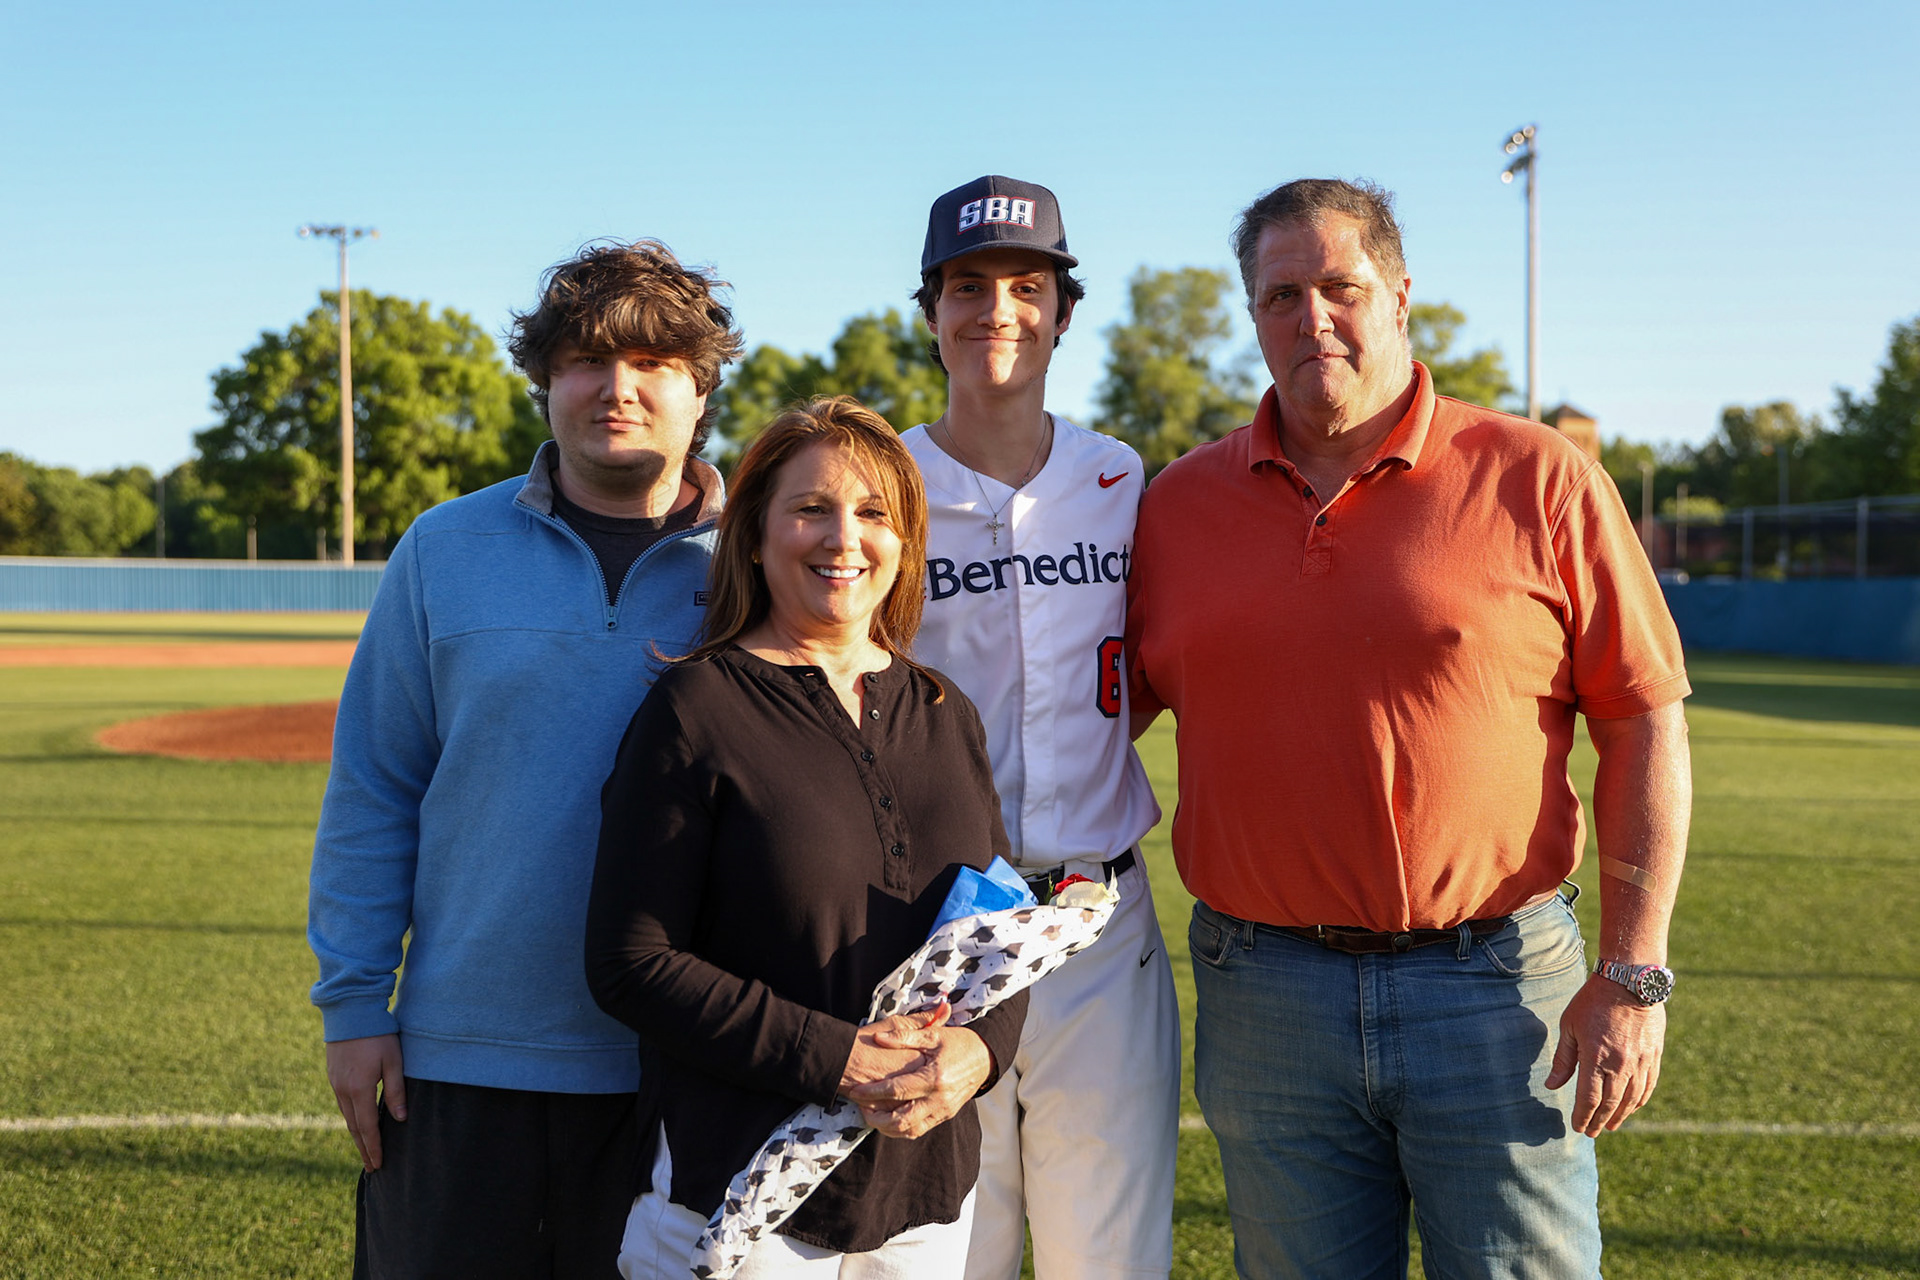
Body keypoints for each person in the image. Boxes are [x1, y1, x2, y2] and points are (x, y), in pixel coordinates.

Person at [1126, 179, 1693, 1279]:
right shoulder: (1177, 505)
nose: (1313, 318)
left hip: (1495, 983)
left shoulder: (1541, 476)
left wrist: (1634, 969)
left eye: (1340, 286)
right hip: (1264, 991)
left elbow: (1645, 720)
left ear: (1398, 294)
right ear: (1253, 315)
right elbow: (1085, 708)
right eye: (1280, 295)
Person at [307, 240, 743, 1279]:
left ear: (700, 388)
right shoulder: (443, 548)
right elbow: (376, 786)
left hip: (682, 1065)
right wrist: (356, 1003)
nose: (617, 389)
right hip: (460, 1061)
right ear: (546, 379)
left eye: (652, 364)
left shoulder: (759, 564)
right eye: (587, 359)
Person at [586, 396, 1028, 1280]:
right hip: (744, 1191)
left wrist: (980, 1054)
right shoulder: (696, 709)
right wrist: (838, 1057)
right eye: (810, 509)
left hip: (924, 1199)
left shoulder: (946, 715)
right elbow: (630, 962)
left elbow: (999, 933)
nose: (844, 539)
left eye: (874, 514)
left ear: (905, 542)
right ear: (754, 535)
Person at [899, 175, 1179, 1280]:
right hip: (931, 920)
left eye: (1028, 285)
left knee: (1106, 1251)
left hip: (1095, 914)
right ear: (929, 313)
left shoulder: (1123, 479)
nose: (997, 311)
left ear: (1066, 310)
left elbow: (1158, 663)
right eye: (968, 286)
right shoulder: (884, 483)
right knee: (935, 1246)